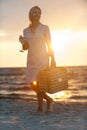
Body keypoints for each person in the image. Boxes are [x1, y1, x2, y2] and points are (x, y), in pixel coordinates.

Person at [19, 6, 55, 113]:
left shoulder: (45, 28)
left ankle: (40, 107)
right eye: (35, 12)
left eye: (39, 12)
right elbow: (26, 48)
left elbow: (49, 44)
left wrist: (53, 58)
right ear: (30, 14)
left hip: (43, 59)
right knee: (32, 84)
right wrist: (22, 42)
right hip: (31, 60)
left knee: (40, 84)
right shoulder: (25, 30)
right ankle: (48, 99)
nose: (37, 14)